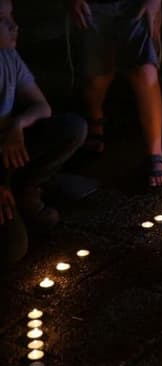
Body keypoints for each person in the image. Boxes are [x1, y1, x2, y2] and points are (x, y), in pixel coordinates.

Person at [1, 0, 86, 264]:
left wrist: (17, 124)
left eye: (12, 16)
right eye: (3, 21)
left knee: (72, 127)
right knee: (13, 250)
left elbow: (42, 107)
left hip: (6, 151)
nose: (16, 26)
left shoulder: (8, 56)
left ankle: (26, 189)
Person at [68, 0, 162, 189]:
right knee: (98, 75)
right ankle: (95, 119)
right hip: (94, 6)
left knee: (146, 71)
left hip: (137, 4)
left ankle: (156, 153)